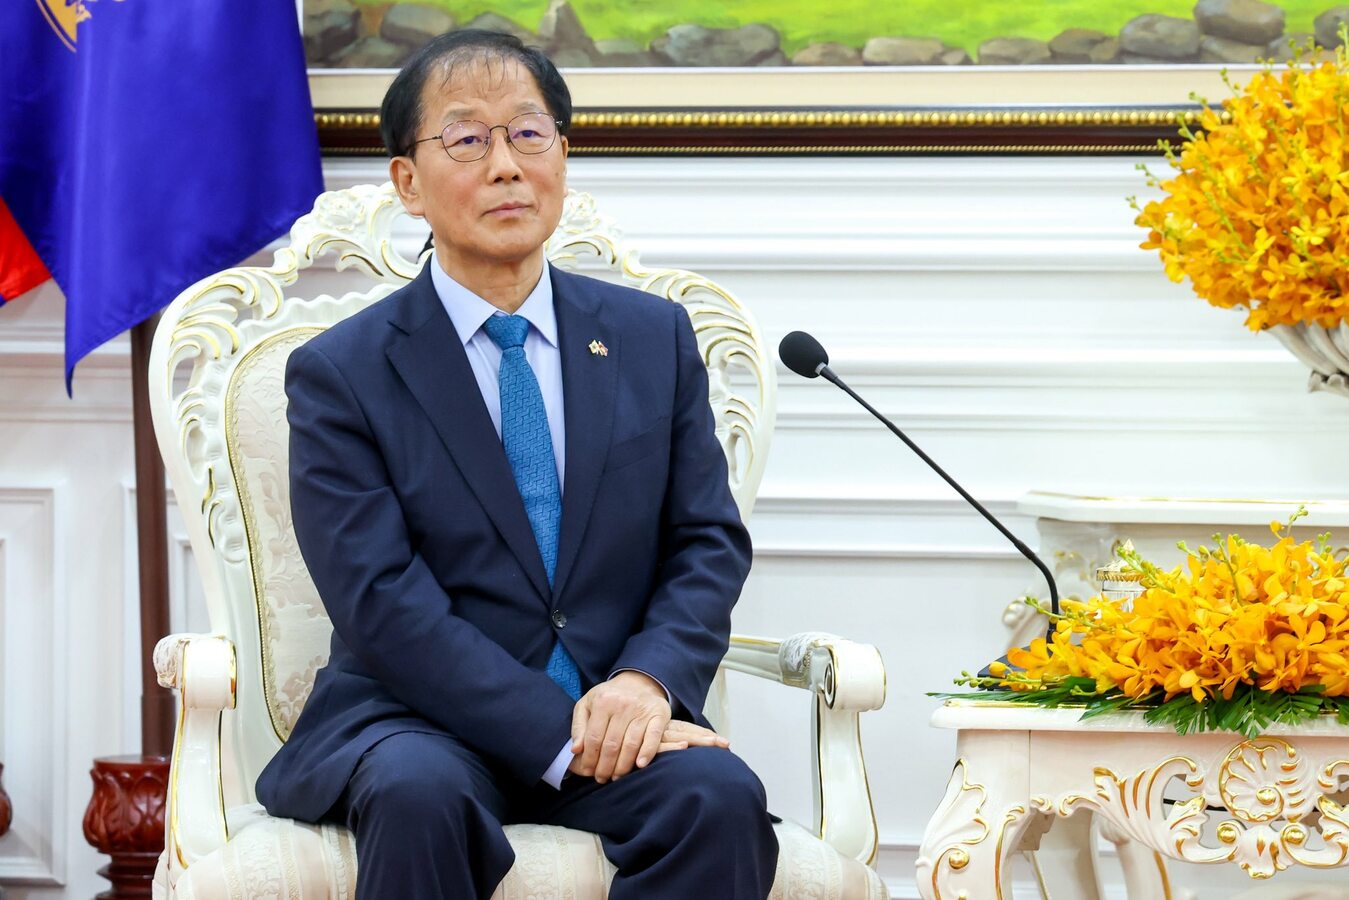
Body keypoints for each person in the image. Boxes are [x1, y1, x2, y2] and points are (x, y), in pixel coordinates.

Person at [254, 28, 779, 900]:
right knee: (417, 795)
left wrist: (644, 682)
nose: (505, 166)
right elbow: (380, 600)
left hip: (614, 714)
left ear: (562, 156)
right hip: (421, 723)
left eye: (528, 134)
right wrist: (558, 730)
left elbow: (705, 543)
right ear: (407, 182)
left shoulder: (651, 338)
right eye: (467, 138)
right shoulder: (343, 372)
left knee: (717, 797)